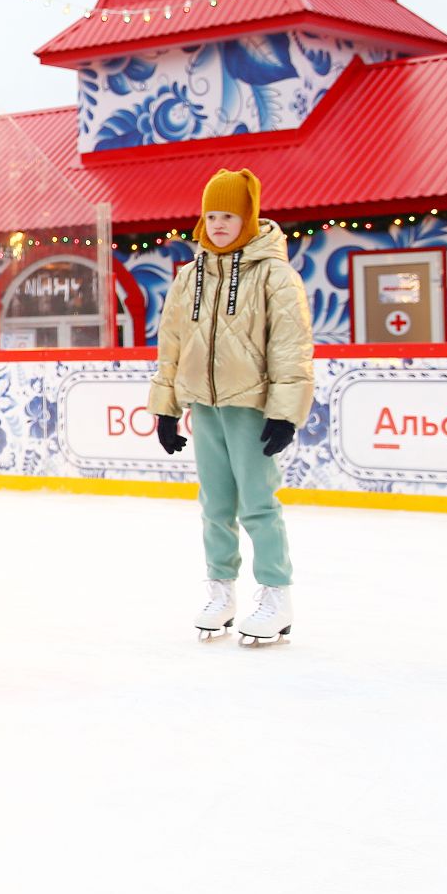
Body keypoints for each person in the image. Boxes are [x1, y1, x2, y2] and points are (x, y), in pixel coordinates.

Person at [149, 169, 312, 645]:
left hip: (253, 406)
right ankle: (220, 591)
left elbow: (291, 345)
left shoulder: (274, 275)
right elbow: (172, 344)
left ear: (248, 217)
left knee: (259, 504)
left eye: (230, 215)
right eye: (212, 215)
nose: (219, 224)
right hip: (205, 406)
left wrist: (285, 411)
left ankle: (276, 595)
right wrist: (167, 407)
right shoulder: (189, 276)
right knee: (216, 505)